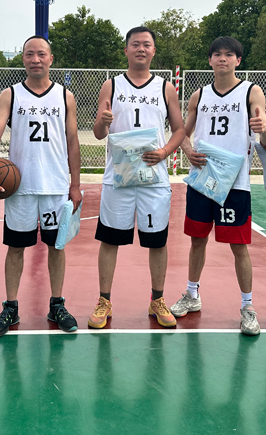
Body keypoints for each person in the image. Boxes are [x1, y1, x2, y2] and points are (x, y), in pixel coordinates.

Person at [0, 36, 82, 337]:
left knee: (56, 247)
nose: (36, 59)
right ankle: (10, 307)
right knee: (16, 248)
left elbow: (73, 141)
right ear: (23, 59)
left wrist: (75, 184)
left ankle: (57, 304)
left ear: (51, 59)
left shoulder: (65, 96)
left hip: (54, 187)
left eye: (41, 54)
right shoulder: (10, 95)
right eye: (30, 54)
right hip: (20, 188)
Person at [170, 37, 266, 336]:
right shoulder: (199, 95)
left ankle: (248, 307)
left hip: (235, 184)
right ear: (210, 60)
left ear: (238, 60)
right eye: (217, 54)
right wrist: (188, 151)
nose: (222, 59)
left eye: (229, 55)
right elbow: (182, 132)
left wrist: (264, 130)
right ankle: (192, 294)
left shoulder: (251, 91)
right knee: (197, 240)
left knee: (239, 246)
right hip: (203, 180)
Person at [88, 26, 186, 329]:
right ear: (126, 50)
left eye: (146, 44)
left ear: (153, 51)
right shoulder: (111, 85)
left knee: (157, 242)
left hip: (153, 177)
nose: (141, 49)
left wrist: (165, 151)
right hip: (119, 177)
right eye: (135, 44)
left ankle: (158, 299)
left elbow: (180, 129)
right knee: (110, 240)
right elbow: (98, 133)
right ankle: (104, 301)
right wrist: (103, 122)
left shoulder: (165, 88)